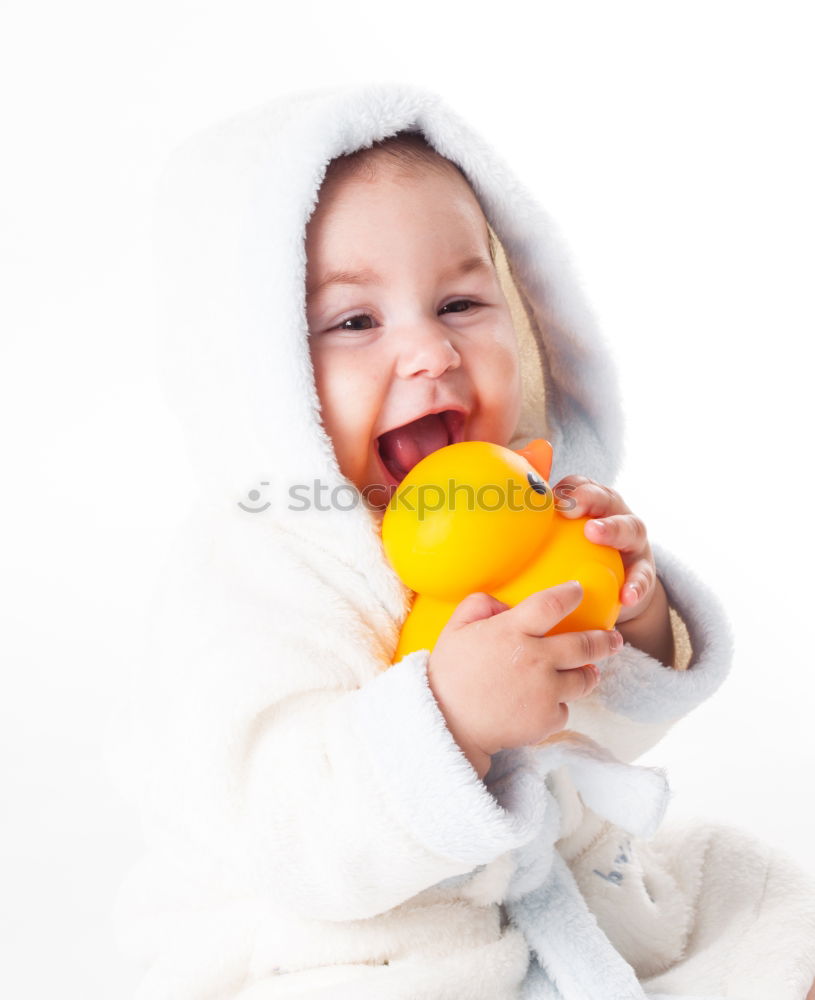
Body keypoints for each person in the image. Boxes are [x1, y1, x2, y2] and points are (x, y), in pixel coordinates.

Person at [105, 82, 815, 1000]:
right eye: (356, 321)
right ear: (256, 373)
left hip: (550, 889)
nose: (430, 354)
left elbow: (598, 737)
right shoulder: (247, 576)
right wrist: (444, 723)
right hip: (340, 948)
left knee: (743, 888)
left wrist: (625, 615)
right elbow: (288, 829)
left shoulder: (519, 507)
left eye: (459, 304)